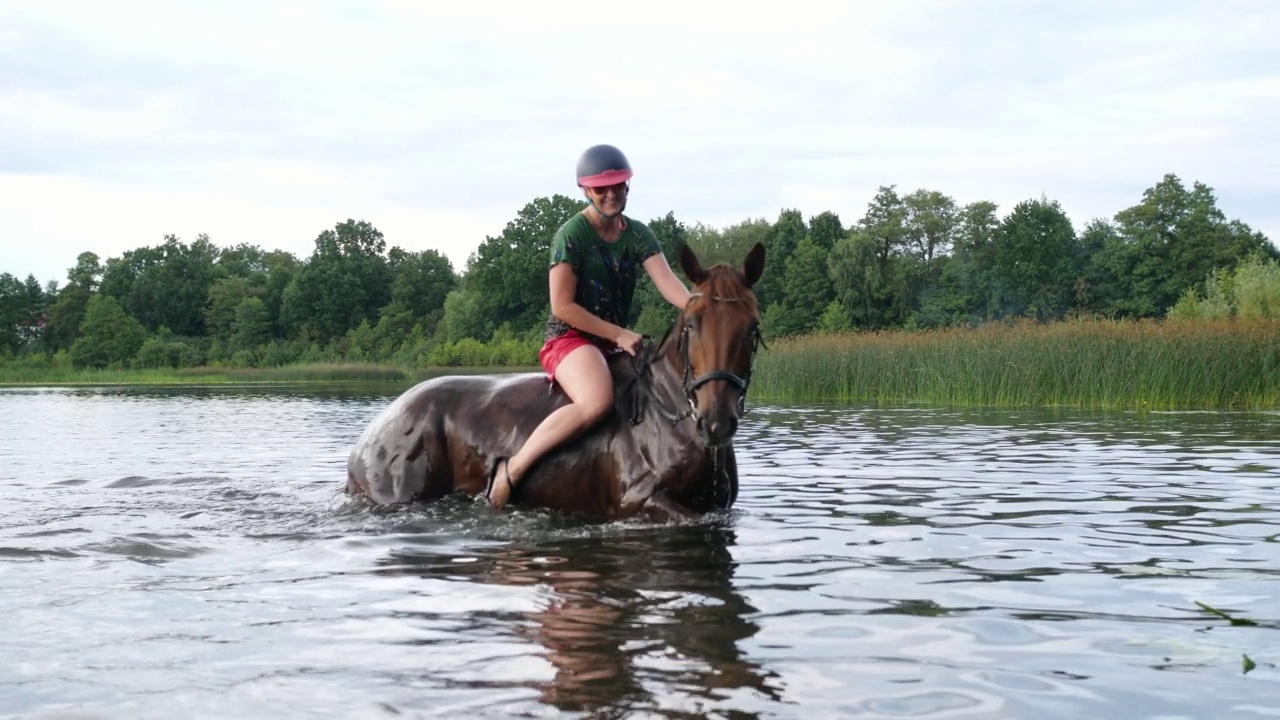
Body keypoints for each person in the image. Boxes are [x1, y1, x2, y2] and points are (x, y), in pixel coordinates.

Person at [485, 144, 693, 509]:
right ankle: (512, 471)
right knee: (598, 402)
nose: (611, 194)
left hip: (612, 344)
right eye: (601, 188)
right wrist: (618, 333)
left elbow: (668, 282)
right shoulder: (572, 235)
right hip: (570, 338)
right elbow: (562, 306)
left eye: (618, 186)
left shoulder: (640, 235)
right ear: (585, 190)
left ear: (628, 186)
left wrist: (701, 306)